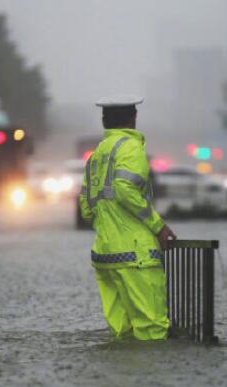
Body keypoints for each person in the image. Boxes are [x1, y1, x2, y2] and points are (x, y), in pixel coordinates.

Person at [79, 94, 176, 341]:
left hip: (105, 256)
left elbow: (86, 207)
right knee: (152, 330)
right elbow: (124, 189)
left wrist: (108, 226)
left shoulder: (97, 155)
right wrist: (158, 227)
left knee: (122, 334)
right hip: (136, 256)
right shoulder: (131, 148)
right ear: (133, 118)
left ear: (104, 121)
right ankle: (152, 380)